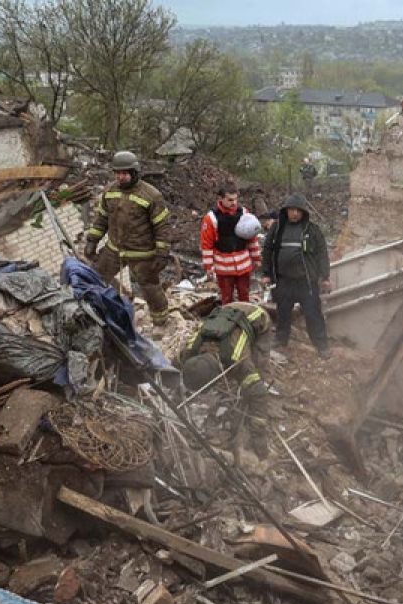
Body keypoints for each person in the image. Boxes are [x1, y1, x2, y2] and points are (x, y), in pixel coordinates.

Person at [84, 151, 178, 326]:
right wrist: (92, 241)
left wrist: (162, 253)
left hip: (142, 252)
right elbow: (102, 218)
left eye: (125, 173)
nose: (120, 177)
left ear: (135, 172)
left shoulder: (152, 195)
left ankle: (161, 321)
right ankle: (93, 314)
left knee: (150, 287)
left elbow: (162, 226)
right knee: (96, 277)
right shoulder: (110, 191)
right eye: (117, 173)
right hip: (114, 249)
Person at [177, 302, 273, 451]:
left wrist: (259, 435)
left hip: (256, 316)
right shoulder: (190, 351)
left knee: (255, 375)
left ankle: (249, 403)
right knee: (246, 379)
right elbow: (176, 366)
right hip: (228, 311)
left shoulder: (238, 360)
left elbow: (259, 393)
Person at [260, 193, 331, 358]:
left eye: (298, 210)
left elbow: (322, 254)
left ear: (303, 212)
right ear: (286, 211)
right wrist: (266, 274)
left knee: (313, 314)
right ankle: (280, 340)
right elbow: (267, 251)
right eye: (291, 210)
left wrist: (325, 277)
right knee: (283, 312)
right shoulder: (277, 228)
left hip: (306, 282)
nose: (295, 214)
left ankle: (322, 346)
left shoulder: (312, 230)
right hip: (284, 281)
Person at [200, 186, 262, 306]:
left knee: (244, 296)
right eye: (230, 200)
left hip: (243, 265)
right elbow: (207, 245)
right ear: (221, 199)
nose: (233, 203)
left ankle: (245, 321)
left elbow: (252, 238)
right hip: (224, 267)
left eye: (235, 199)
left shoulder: (243, 213)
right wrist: (209, 267)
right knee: (227, 298)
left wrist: (256, 258)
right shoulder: (211, 218)